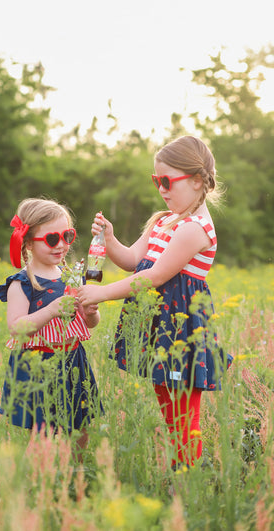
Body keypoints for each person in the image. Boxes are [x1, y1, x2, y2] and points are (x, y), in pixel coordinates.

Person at [78, 135, 232, 468]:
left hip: (181, 331)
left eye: (166, 181)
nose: (161, 189)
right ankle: (179, 473)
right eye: (156, 181)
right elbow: (134, 260)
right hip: (158, 326)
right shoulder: (163, 220)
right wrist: (109, 237)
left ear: (195, 180)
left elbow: (155, 276)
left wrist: (101, 293)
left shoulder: (195, 229)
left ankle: (188, 481)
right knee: (168, 405)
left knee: (183, 412)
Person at [0, 197, 102, 458]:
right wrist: (51, 310)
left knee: (81, 423)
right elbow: (16, 327)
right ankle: (39, 481)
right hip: (38, 362)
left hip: (73, 356)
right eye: (53, 239)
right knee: (42, 429)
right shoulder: (22, 283)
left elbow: (89, 324)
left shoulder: (70, 275)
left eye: (67, 235)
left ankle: (77, 471)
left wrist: (92, 311)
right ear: (29, 242)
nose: (63, 245)